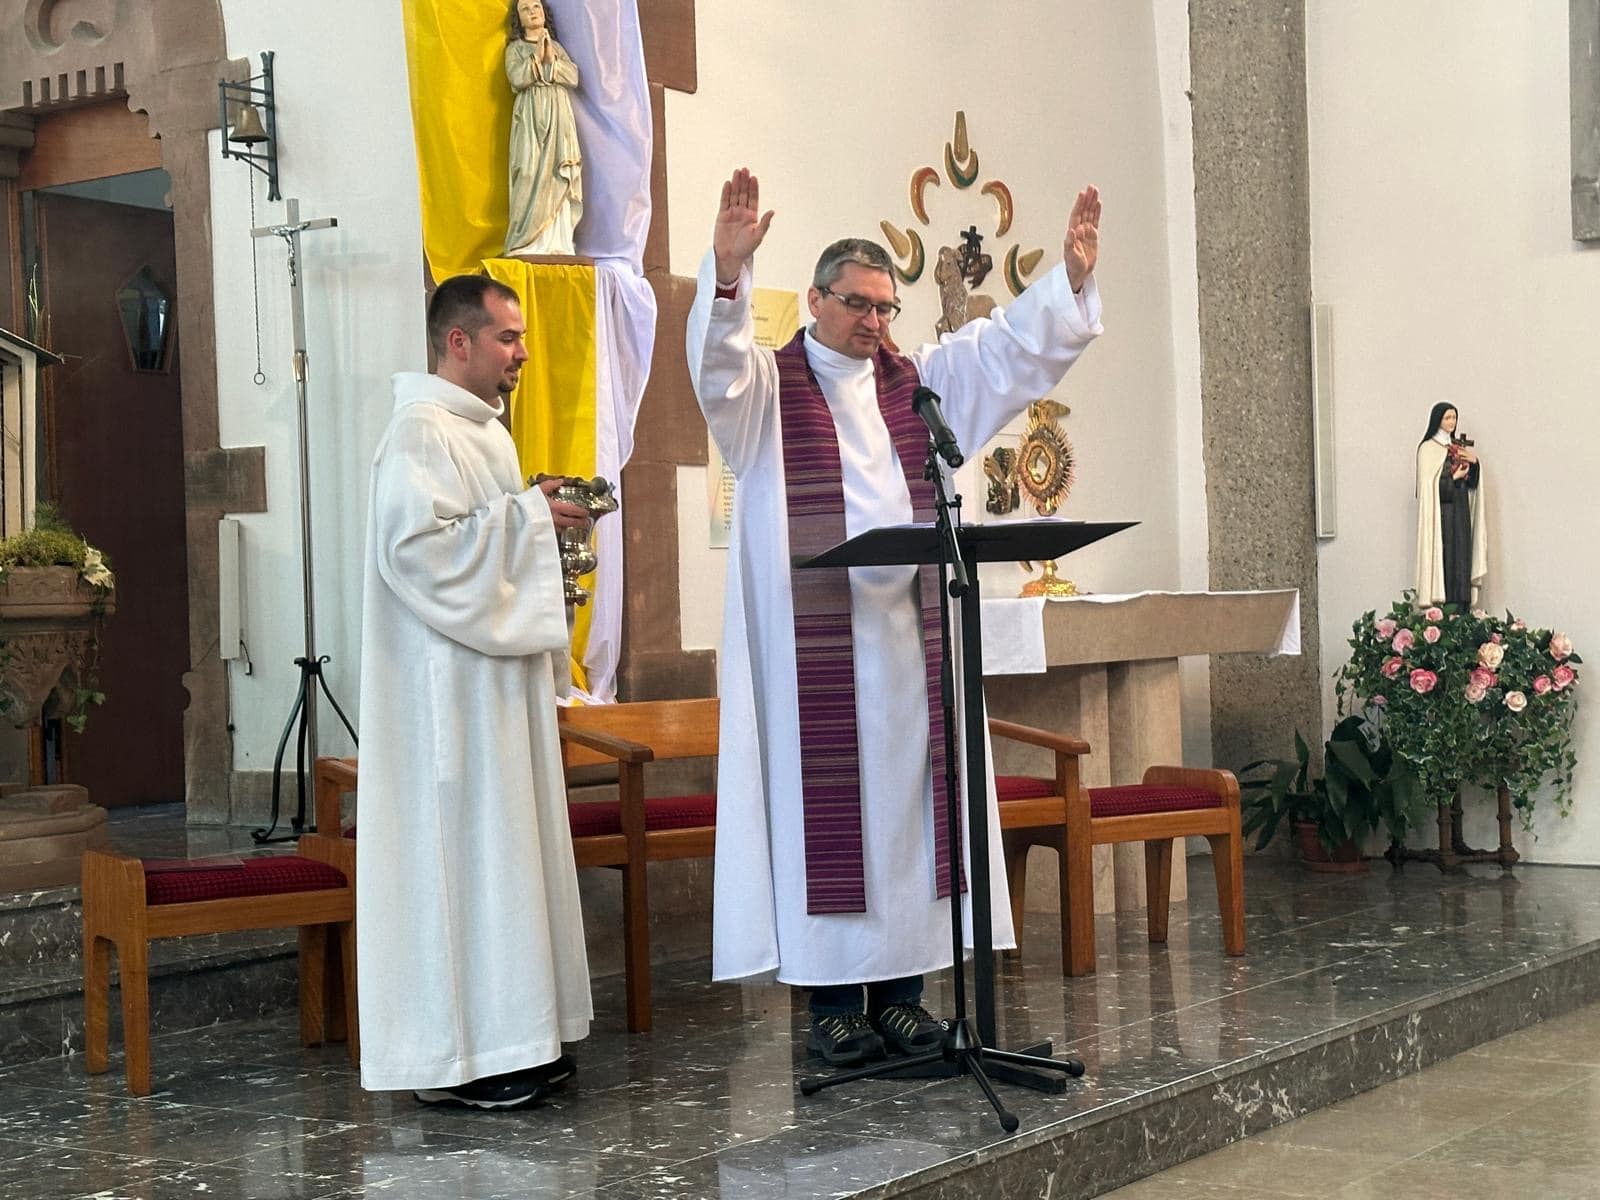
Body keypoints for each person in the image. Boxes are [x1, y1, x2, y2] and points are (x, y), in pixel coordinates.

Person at [686, 167, 1103, 1066]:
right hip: (816, 663)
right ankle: (835, 1006)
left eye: (885, 307)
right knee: (834, 823)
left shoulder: (919, 386)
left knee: (914, 819)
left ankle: (905, 1000)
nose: (875, 321)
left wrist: (1066, 286)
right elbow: (715, 370)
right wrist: (725, 275)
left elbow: (1004, 352)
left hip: (912, 652)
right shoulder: (767, 391)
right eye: (858, 304)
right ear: (816, 301)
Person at [357, 274, 593, 1109]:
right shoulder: (420, 430)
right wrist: (526, 520)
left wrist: (534, 517)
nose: (522, 353)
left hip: (494, 690)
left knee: (506, 863)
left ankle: (518, 1036)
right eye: (508, 337)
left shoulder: (481, 431)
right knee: (463, 867)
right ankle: (458, 1060)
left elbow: (484, 538)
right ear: (458, 341)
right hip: (445, 700)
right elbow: (416, 551)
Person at [504, 0, 583, 258]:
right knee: (527, 170)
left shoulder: (557, 47)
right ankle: (525, 240)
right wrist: (536, 58)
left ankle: (557, 240)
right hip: (529, 116)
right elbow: (516, 77)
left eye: (536, 6)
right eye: (525, 9)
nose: (532, 12)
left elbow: (573, 77)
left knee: (556, 171)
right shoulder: (515, 49)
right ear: (519, 19)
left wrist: (552, 61)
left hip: (558, 114)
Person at [1414, 402, 1486, 608]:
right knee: (1446, 557)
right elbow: (1427, 488)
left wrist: (1474, 463)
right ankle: (1443, 608)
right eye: (1447, 418)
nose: (1452, 422)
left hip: (1461, 511)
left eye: (1454, 417)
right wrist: (1453, 477)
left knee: (1462, 555)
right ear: (1437, 420)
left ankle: (1462, 606)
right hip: (1442, 517)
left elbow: (1472, 484)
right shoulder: (1428, 449)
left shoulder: (1457, 446)